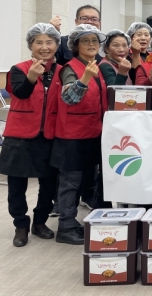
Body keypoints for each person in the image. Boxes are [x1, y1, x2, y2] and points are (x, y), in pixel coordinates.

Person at [0, 24, 61, 247]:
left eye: (49, 42)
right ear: (30, 45)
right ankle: (21, 225)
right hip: (20, 134)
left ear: (56, 45)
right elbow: (20, 93)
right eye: (38, 42)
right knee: (17, 184)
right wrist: (32, 77)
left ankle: (40, 222)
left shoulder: (63, 71)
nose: (44, 47)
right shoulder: (19, 69)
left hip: (51, 134)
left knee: (49, 184)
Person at [50, 24, 107, 245]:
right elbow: (69, 98)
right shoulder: (70, 68)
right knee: (70, 183)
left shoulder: (96, 66)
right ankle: (65, 227)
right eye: (86, 41)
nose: (91, 44)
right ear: (75, 45)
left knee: (87, 182)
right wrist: (84, 78)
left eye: (95, 41)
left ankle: (76, 223)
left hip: (92, 133)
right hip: (72, 136)